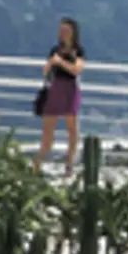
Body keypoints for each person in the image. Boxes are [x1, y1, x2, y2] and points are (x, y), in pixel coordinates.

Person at [36, 16, 85, 173]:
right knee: (48, 132)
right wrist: (51, 62)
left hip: (70, 90)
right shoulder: (55, 50)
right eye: (61, 30)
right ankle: (37, 163)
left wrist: (61, 62)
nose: (62, 33)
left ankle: (69, 163)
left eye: (66, 31)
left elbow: (77, 69)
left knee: (72, 130)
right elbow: (45, 71)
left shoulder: (78, 51)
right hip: (55, 89)